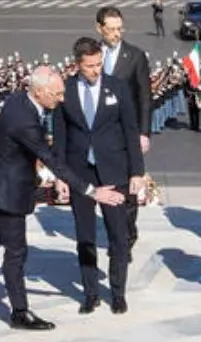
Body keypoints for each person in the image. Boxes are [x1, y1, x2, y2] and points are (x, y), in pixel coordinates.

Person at [0, 66, 124, 329]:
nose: (62, 99)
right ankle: (19, 312)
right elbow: (52, 160)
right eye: (57, 93)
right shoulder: (26, 122)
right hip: (8, 192)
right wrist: (91, 190)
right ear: (40, 92)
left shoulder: (18, 100)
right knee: (16, 252)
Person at [52, 37, 146, 315]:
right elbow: (60, 135)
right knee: (85, 236)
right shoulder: (66, 90)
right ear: (77, 65)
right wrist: (59, 176)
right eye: (89, 66)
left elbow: (131, 130)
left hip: (114, 170)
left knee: (118, 235)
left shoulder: (116, 87)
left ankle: (118, 293)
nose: (95, 70)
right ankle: (90, 293)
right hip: (80, 172)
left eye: (98, 64)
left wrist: (137, 172)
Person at [96, 6, 153, 260]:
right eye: (111, 29)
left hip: (126, 133)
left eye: (120, 28)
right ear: (100, 29)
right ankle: (115, 235)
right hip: (99, 135)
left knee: (129, 189)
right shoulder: (92, 55)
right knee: (106, 187)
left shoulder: (135, 56)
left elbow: (145, 97)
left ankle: (126, 238)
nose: (116, 34)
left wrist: (144, 132)